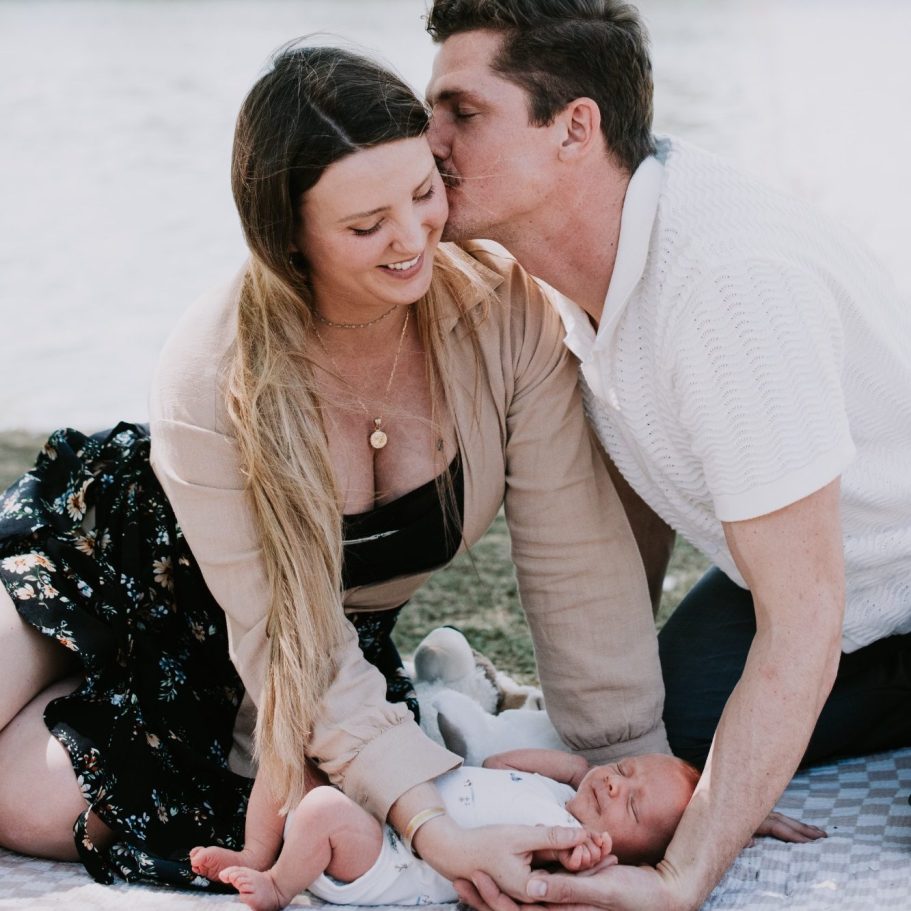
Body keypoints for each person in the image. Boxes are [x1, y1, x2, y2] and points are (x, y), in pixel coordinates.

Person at [0, 41, 669, 891]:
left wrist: (644, 787)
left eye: (424, 192)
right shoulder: (213, 367)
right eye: (364, 225)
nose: (412, 239)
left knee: (29, 809)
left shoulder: (505, 313)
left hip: (274, 669)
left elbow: (574, 565)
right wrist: (432, 829)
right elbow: (275, 618)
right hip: (122, 559)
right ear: (288, 239)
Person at [423, 1, 911, 910]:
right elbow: (641, 486)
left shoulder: (725, 283)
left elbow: (803, 613)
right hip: (828, 586)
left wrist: (684, 872)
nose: (429, 141)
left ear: (575, 127)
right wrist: (680, 758)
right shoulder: (573, 265)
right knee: (658, 743)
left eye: (463, 112)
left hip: (856, 584)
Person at [189, 749, 700, 911]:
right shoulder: (554, 793)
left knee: (320, 807)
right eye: (625, 771)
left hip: (384, 858)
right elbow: (496, 761)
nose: (613, 787)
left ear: (633, 855)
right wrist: (571, 769)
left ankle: (280, 884)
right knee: (289, 759)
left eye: (631, 807)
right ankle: (256, 851)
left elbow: (540, 884)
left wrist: (583, 862)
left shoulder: (568, 844)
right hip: (390, 804)